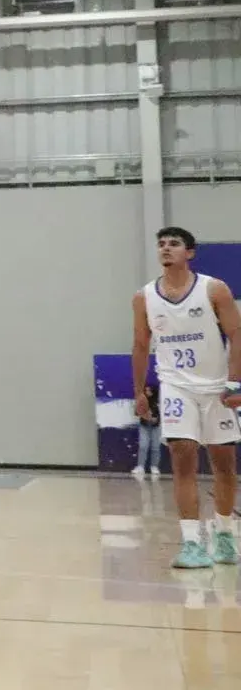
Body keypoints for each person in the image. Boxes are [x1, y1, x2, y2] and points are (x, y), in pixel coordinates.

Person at [131, 226, 241, 567]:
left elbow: (237, 334)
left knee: (223, 463)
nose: (166, 248)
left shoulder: (213, 289)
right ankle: (192, 542)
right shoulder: (144, 297)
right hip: (176, 386)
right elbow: (140, 345)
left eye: (174, 244)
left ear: (189, 252)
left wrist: (236, 383)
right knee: (182, 456)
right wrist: (139, 392)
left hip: (216, 387)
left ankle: (224, 532)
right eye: (161, 244)